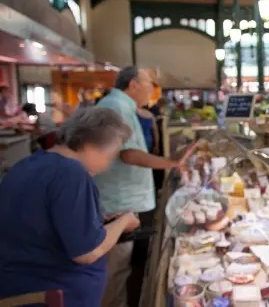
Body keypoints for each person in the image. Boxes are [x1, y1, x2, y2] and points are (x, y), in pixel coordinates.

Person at [0, 107, 140, 307]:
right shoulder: (72, 173)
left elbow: (43, 222)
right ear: (90, 145)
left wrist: (98, 222)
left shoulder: (27, 164)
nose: (107, 166)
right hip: (53, 295)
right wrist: (125, 220)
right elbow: (88, 251)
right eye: (110, 156)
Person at [94, 66, 187, 307]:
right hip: (117, 201)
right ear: (133, 84)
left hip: (121, 199)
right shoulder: (117, 107)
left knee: (121, 268)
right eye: (149, 84)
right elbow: (129, 154)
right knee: (116, 269)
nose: (152, 90)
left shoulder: (121, 106)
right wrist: (171, 162)